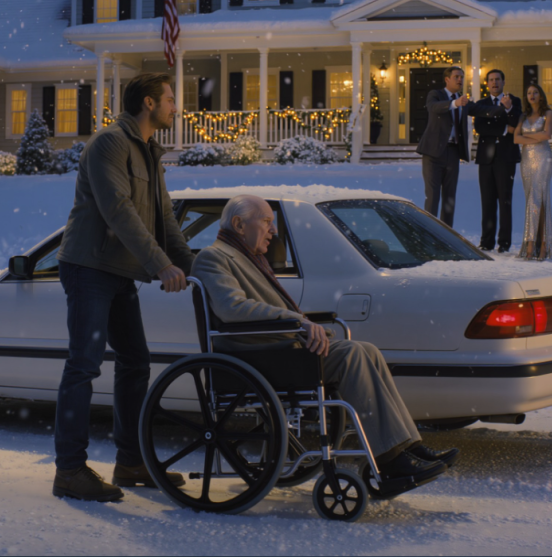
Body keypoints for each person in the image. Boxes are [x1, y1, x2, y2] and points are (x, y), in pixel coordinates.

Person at [191, 194, 460, 500]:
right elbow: (232, 309)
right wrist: (297, 320)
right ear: (239, 224)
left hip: (274, 351)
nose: (274, 230)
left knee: (367, 350)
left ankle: (408, 446)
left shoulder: (247, 257)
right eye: (266, 222)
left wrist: (299, 324)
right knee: (353, 355)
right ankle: (391, 459)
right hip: (255, 357)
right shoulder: (214, 258)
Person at [52, 73, 195, 502]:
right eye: (170, 99)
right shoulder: (109, 144)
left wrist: (192, 265)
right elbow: (119, 211)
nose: (176, 107)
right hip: (89, 267)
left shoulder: (151, 151)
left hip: (120, 272)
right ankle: (70, 471)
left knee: (135, 361)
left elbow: (164, 218)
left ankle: (131, 462)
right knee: (84, 365)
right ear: (148, 103)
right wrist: (160, 265)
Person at [416, 66, 511, 227]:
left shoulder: (464, 101)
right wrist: (454, 103)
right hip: (433, 153)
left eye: (462, 77)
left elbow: (482, 110)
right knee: (432, 196)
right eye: (456, 77)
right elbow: (433, 107)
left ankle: (446, 235)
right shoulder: (436, 95)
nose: (460, 80)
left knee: (450, 197)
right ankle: (429, 234)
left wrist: (503, 108)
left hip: (453, 152)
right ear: (447, 79)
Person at [473, 69, 523, 253]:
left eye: (497, 80)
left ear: (503, 82)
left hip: (506, 157)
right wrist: (503, 129)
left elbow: (517, 123)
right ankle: (486, 242)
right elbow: (479, 127)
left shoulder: (514, 101)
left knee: (505, 201)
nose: (494, 83)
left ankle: (504, 243)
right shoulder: (481, 104)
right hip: (486, 158)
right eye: (491, 80)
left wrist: (508, 109)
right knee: (487, 202)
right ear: (487, 84)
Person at [514, 83, 552, 260]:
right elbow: (516, 139)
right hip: (526, 161)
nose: (532, 95)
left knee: (540, 200)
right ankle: (530, 244)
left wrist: (527, 137)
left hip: (543, 159)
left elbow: (547, 135)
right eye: (529, 93)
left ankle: (540, 248)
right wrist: (536, 136)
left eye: (535, 92)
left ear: (541, 95)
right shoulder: (522, 116)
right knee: (530, 201)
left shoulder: (548, 113)